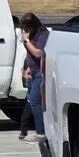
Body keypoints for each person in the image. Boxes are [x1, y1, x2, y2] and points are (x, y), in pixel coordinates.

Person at [17, 13, 49, 143]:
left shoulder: (43, 34)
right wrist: (27, 69)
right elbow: (30, 55)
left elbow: (37, 53)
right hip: (33, 71)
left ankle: (41, 132)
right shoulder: (31, 35)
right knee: (30, 101)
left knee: (35, 102)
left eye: (27, 27)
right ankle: (27, 129)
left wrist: (27, 40)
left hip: (40, 72)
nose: (26, 30)